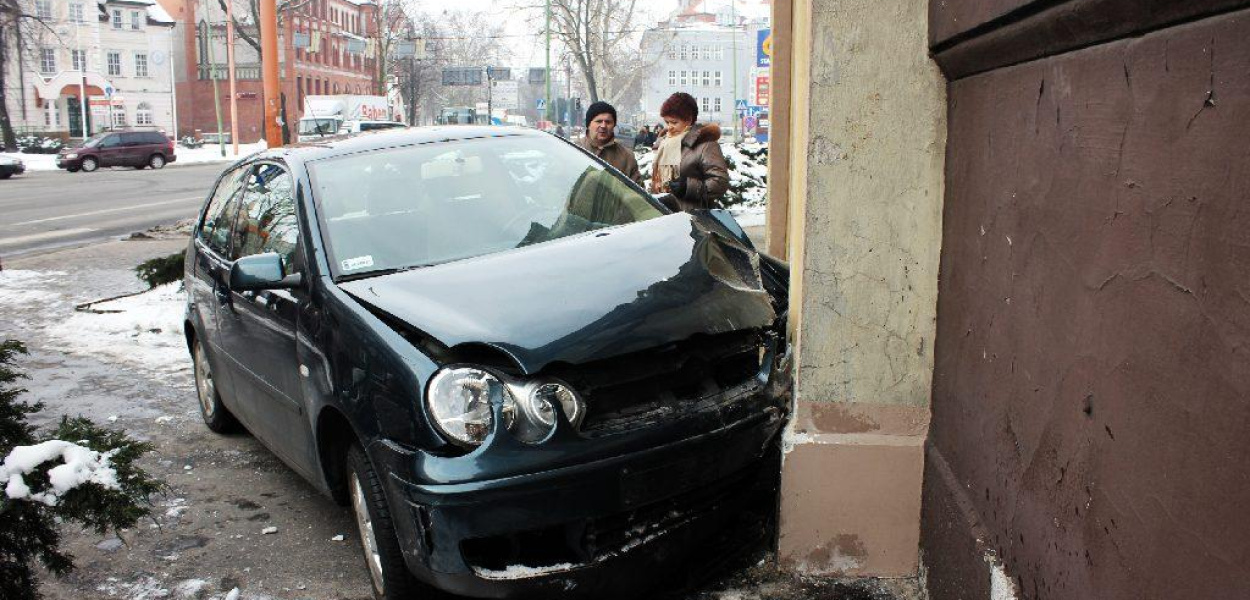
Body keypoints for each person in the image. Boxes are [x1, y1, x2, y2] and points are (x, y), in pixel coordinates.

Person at [649, 92, 728, 211]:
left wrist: (688, 187)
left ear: (689, 120)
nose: (669, 127)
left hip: (692, 219)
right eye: (667, 122)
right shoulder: (665, 144)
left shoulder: (706, 145)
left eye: (674, 122)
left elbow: (720, 182)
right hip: (663, 216)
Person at [577, 101, 643, 185]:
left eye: (608, 122)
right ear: (589, 124)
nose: (603, 126)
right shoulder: (574, 149)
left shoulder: (627, 156)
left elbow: (637, 192)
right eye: (599, 121)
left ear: (614, 125)